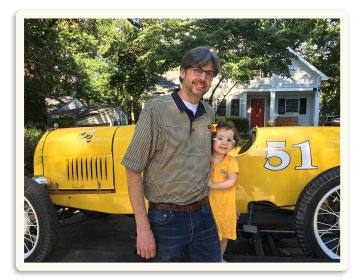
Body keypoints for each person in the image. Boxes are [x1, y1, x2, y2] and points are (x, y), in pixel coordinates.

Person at [121, 46, 222, 262]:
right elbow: (132, 169)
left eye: (209, 73)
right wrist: (143, 229)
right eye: (197, 70)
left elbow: (210, 162)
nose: (203, 78)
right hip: (166, 219)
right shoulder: (156, 110)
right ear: (183, 72)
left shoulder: (209, 113)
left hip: (204, 214)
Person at [208, 120, 240, 262]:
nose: (224, 142)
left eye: (229, 140)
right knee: (209, 235)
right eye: (220, 138)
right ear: (212, 140)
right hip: (208, 207)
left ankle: (219, 258)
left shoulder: (231, 161)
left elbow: (231, 181)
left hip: (225, 208)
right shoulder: (205, 159)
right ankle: (209, 259)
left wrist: (212, 185)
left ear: (233, 144)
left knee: (224, 235)